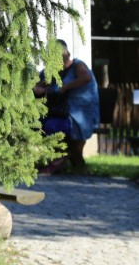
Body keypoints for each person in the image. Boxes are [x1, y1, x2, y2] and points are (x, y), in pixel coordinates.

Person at [33, 39, 100, 171]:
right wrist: (39, 88)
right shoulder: (55, 71)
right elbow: (38, 84)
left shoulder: (78, 66)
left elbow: (86, 78)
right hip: (62, 114)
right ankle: (59, 160)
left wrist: (65, 87)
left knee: (50, 125)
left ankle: (60, 160)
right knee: (38, 123)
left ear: (67, 54)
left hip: (78, 118)